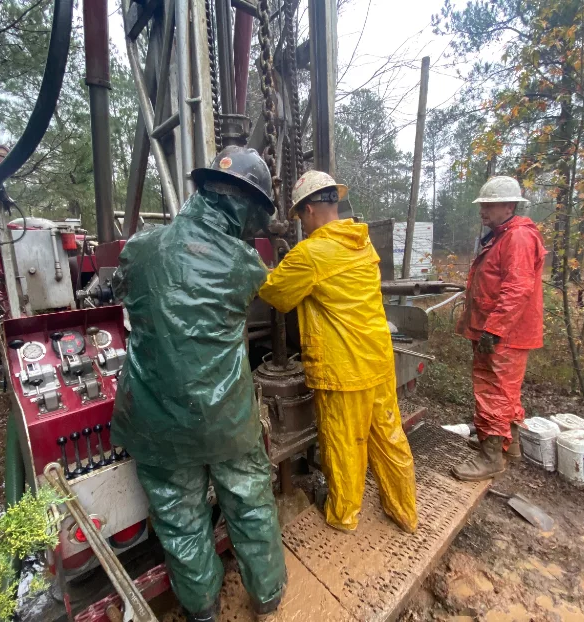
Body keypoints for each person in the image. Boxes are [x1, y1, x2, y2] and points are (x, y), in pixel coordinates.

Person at [110, 146, 287, 622]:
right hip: (224, 418)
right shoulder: (246, 265)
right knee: (249, 503)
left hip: (155, 419)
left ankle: (201, 610)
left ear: (204, 190)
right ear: (244, 205)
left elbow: (119, 288)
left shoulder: (141, 246)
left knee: (179, 518)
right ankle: (267, 597)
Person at [258, 170, 417, 534]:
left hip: (344, 371)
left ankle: (344, 517)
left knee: (345, 445)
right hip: (378, 360)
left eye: (300, 214)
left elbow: (276, 295)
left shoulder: (311, 254)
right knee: (390, 439)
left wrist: (256, 270)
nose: (301, 222)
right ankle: (405, 512)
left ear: (311, 209)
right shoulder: (361, 241)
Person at [453, 175, 547, 482]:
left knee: (493, 391)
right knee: (506, 392)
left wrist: (493, 330)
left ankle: (491, 458)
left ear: (508, 205)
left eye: (489, 205)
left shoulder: (517, 238)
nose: (483, 211)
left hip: (503, 333)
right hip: (501, 330)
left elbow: (517, 289)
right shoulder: (504, 235)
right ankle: (511, 446)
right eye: (482, 205)